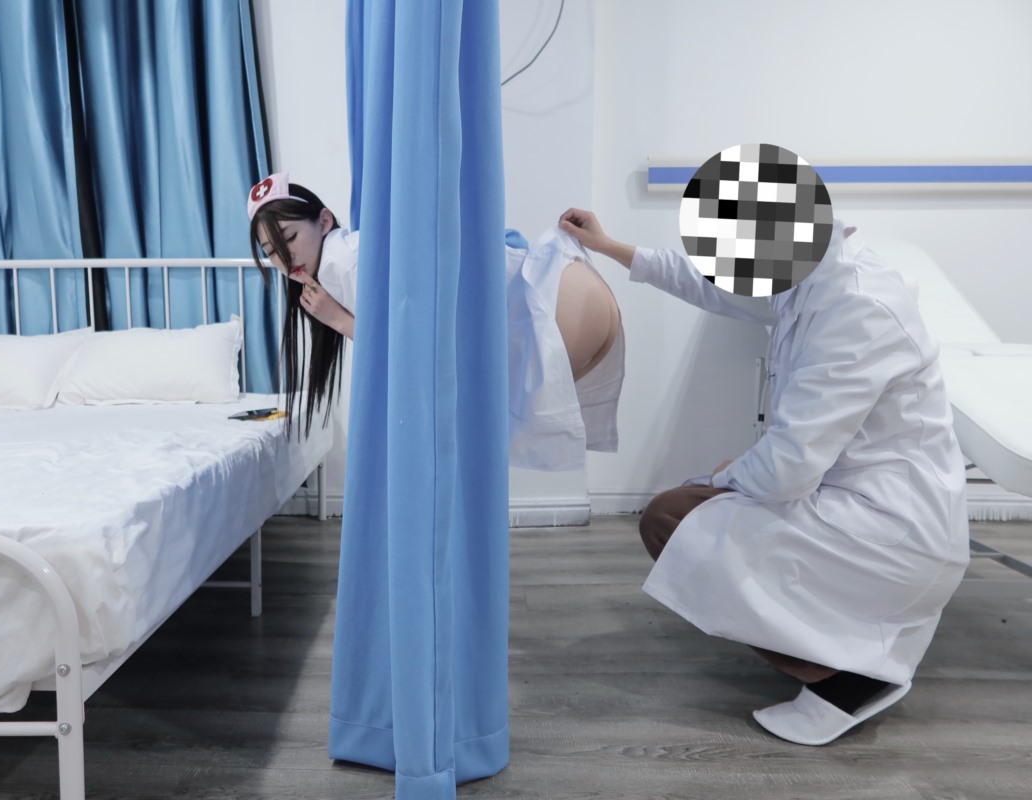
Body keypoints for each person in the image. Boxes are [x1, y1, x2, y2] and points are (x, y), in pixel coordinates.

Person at [558, 207, 970, 745]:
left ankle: (846, 681)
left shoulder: (857, 310)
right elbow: (710, 287)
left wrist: (720, 478)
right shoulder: (810, 270)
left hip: (892, 530)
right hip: (862, 497)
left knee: (671, 519)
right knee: (701, 503)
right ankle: (841, 649)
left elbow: (787, 470)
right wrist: (612, 247)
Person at [247, 172, 624, 471]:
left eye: (290, 237)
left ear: (324, 220)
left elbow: (406, 347)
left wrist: (338, 319)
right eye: (271, 253)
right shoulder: (350, 251)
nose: (284, 258)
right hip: (566, 286)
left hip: (546, 305)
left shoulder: (338, 264)